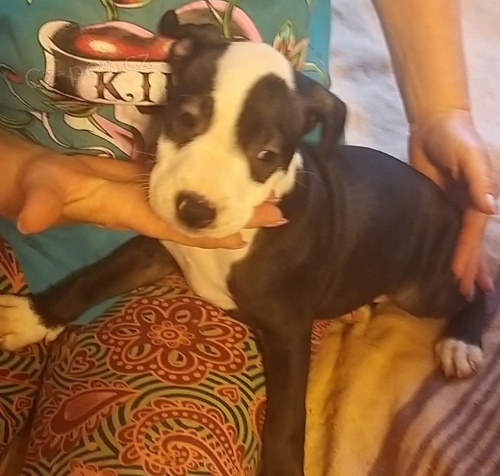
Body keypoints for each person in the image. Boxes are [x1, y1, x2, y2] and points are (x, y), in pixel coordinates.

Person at [0, 0, 496, 473]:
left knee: (427, 297)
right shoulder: (196, 76)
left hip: (394, 253)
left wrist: (442, 111)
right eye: (188, 121)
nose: (202, 193)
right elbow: (156, 248)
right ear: (179, 54)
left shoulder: (284, 238)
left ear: (315, 128)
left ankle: (473, 312)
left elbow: (286, 343)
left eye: (263, 155)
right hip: (23, 229)